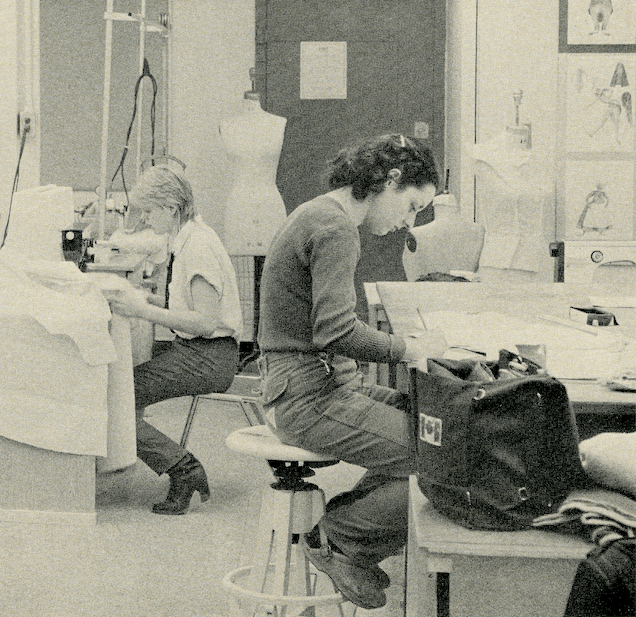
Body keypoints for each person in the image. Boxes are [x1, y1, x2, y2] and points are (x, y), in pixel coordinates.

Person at [258, 134, 447, 609]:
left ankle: (349, 533)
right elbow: (337, 331)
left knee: (435, 425)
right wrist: (410, 349)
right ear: (390, 180)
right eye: (411, 207)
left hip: (309, 384)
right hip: (306, 397)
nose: (408, 222)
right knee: (439, 454)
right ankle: (341, 538)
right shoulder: (336, 227)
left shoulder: (320, 213)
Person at [105, 165, 244, 515]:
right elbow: (192, 307)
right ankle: (180, 467)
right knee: (118, 395)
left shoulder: (198, 247)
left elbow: (205, 322)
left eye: (149, 211)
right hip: (201, 351)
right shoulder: (191, 238)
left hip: (208, 357)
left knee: (112, 400)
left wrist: (142, 311)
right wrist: (148, 300)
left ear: (170, 207)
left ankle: (184, 469)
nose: (145, 218)